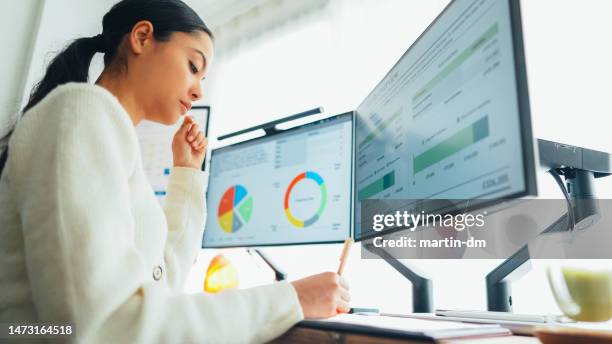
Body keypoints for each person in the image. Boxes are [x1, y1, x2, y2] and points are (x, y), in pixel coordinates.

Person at [0, 0, 350, 342]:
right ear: (141, 37)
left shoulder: (113, 140)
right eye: (193, 66)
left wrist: (186, 173)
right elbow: (105, 326)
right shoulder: (80, 110)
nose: (198, 90)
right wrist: (292, 299)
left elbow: (160, 283)